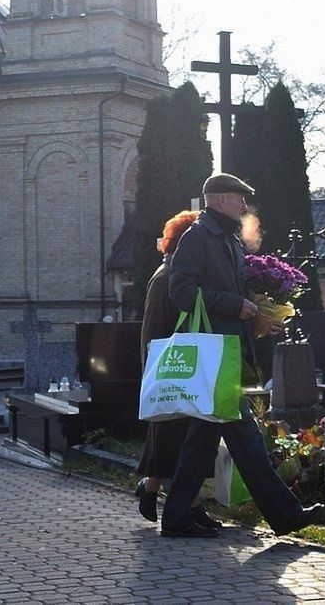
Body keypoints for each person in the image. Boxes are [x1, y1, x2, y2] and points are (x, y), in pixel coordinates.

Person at [161, 173, 324, 538]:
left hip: (227, 354)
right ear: (219, 200)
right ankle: (285, 516)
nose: (243, 206)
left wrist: (261, 316)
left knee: (203, 442)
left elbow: (233, 294)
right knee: (245, 440)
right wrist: (235, 305)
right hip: (215, 356)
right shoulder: (197, 238)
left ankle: (176, 517)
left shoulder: (228, 240)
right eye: (238, 199)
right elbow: (181, 291)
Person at [136, 210, 221, 531]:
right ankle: (186, 504)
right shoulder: (169, 278)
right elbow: (159, 327)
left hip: (175, 367)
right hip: (175, 368)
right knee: (181, 436)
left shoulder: (169, 272)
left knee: (177, 434)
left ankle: (155, 490)